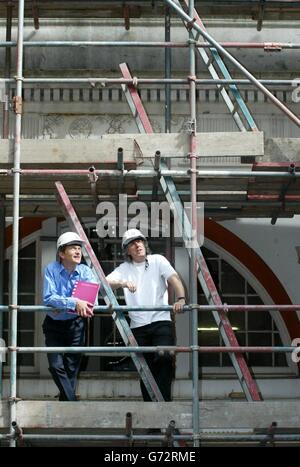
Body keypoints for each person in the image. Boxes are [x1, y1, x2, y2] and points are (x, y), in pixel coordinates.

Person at [106, 228, 186, 401]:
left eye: (140, 241)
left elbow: (174, 279)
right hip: (138, 326)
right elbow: (105, 283)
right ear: (127, 250)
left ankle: (163, 410)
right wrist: (123, 283)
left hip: (161, 321)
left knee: (165, 360)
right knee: (145, 370)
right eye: (133, 243)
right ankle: (151, 416)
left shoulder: (158, 260)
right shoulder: (124, 268)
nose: (138, 245)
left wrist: (180, 298)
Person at [43, 231, 98, 401]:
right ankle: (72, 402)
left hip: (76, 325)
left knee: (72, 367)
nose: (77, 251)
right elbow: (49, 298)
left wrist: (64, 304)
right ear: (61, 253)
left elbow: (89, 301)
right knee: (55, 365)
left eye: (79, 248)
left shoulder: (85, 271)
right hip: (54, 324)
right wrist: (74, 303)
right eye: (73, 248)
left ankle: (66, 404)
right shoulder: (51, 269)